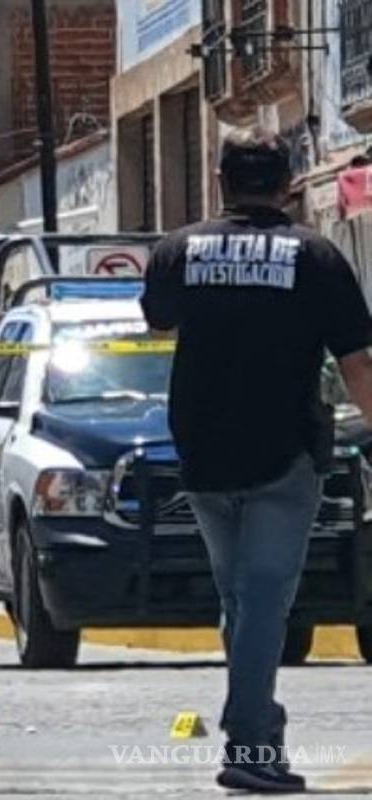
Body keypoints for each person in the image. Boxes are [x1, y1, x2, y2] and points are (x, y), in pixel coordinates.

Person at [141, 127, 372, 793]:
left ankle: (258, 720)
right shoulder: (317, 257)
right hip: (283, 452)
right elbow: (356, 363)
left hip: (204, 452)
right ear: (289, 185)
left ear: (220, 183)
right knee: (266, 596)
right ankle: (250, 746)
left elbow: (157, 318)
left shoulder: (179, 250)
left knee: (241, 596)